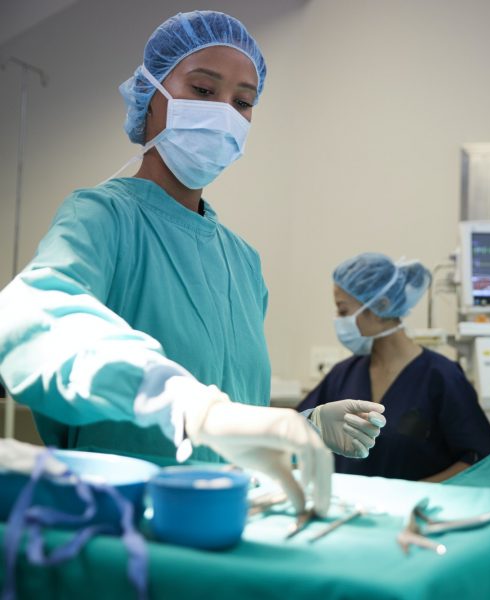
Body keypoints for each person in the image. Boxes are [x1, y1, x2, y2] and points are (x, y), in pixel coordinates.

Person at [0, 11, 384, 516]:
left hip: (228, 522)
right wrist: (187, 406)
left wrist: (302, 426)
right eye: (204, 90)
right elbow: (31, 321)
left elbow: (228, 409)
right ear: (151, 98)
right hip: (126, 530)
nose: (225, 112)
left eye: (243, 102)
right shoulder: (103, 217)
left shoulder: (242, 262)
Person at [297, 253, 490, 481]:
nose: (338, 319)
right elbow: (294, 429)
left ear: (381, 306)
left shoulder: (441, 377)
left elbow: (482, 459)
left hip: (417, 513)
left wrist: (411, 494)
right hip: (349, 511)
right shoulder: (343, 375)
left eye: (343, 311)